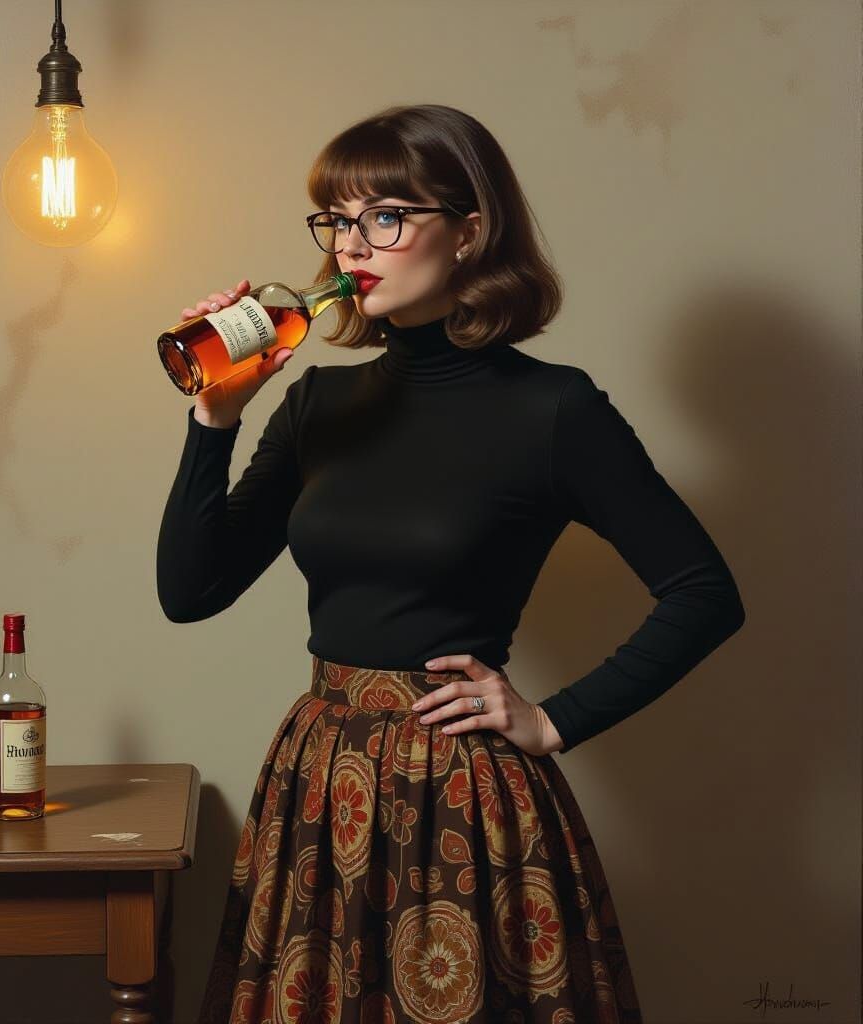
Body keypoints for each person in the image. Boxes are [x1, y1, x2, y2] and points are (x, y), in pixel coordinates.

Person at [157, 103, 745, 1024]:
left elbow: (705, 593)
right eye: (339, 221)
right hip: (320, 782)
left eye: (386, 216)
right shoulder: (317, 403)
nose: (354, 245)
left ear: (469, 232)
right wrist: (215, 421)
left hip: (463, 797)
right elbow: (190, 594)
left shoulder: (554, 411)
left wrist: (553, 721)